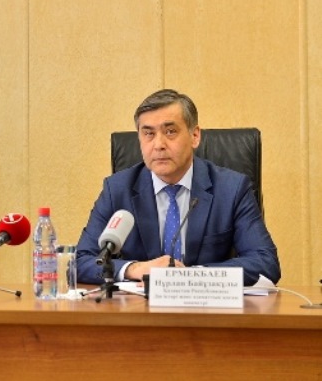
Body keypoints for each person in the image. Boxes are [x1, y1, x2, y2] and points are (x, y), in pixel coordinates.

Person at [76, 89, 280, 286]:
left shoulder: (231, 189)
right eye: (148, 134)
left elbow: (265, 263)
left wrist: (188, 277)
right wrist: (134, 269)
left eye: (170, 132)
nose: (159, 144)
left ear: (195, 136)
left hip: (207, 306)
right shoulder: (117, 190)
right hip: (139, 307)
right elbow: (80, 260)